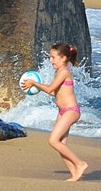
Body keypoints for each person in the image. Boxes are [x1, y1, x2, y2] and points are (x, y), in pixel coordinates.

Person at [21, 43, 88, 183]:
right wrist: (36, 85)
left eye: (53, 57)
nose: (51, 60)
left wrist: (34, 83)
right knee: (61, 145)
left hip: (71, 111)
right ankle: (75, 174)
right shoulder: (58, 72)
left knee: (53, 140)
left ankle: (80, 164)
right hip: (62, 111)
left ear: (63, 58)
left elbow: (50, 88)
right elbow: (53, 92)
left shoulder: (64, 71)